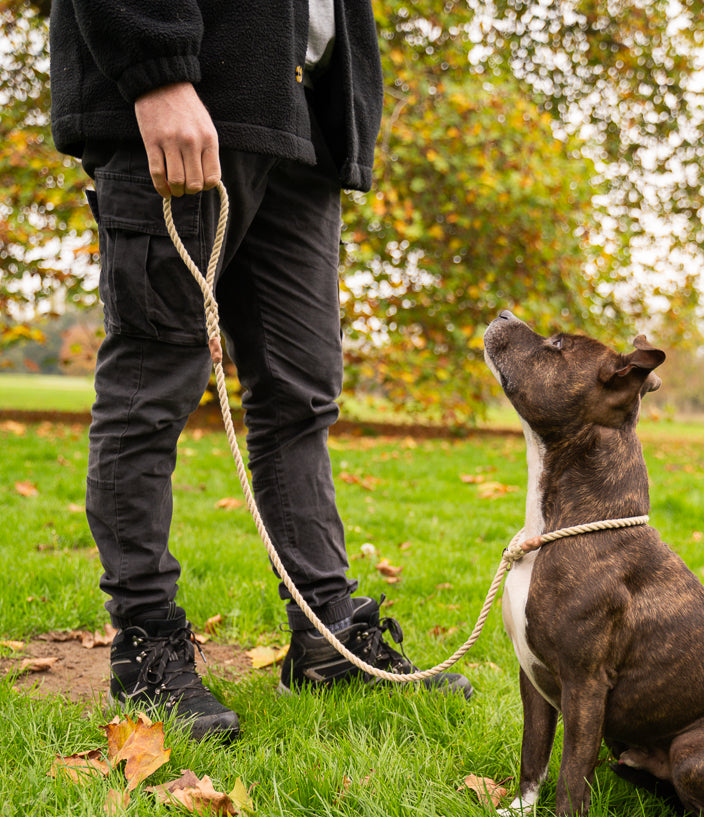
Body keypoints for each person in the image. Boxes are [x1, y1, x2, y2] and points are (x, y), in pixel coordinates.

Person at [49, 1, 472, 742]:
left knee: (300, 400)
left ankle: (326, 637)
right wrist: (157, 75)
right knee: (149, 394)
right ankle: (146, 648)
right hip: (190, 103)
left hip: (301, 121)